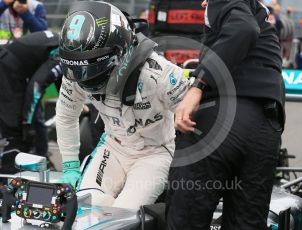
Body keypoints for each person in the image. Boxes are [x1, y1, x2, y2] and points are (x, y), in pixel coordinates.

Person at [57, 1, 191, 210]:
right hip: (113, 146)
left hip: (155, 153)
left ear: (121, 52)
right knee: (87, 207)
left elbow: (198, 115)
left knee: (123, 214)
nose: (85, 79)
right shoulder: (76, 71)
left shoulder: (160, 74)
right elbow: (66, 115)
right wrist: (70, 166)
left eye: (94, 69)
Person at [166, 0, 285, 229]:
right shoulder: (260, 14)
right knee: (247, 222)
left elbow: (243, 28)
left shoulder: (227, 4)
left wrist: (197, 86)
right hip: (265, 126)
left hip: (221, 120)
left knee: (186, 218)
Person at [0, 30, 61, 173]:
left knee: (36, 118)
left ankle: (41, 161)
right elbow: (36, 86)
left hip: (15, 70)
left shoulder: (62, 43)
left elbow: (60, 80)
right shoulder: (64, 54)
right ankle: (10, 176)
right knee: (18, 129)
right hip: (8, 72)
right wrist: (26, 123)